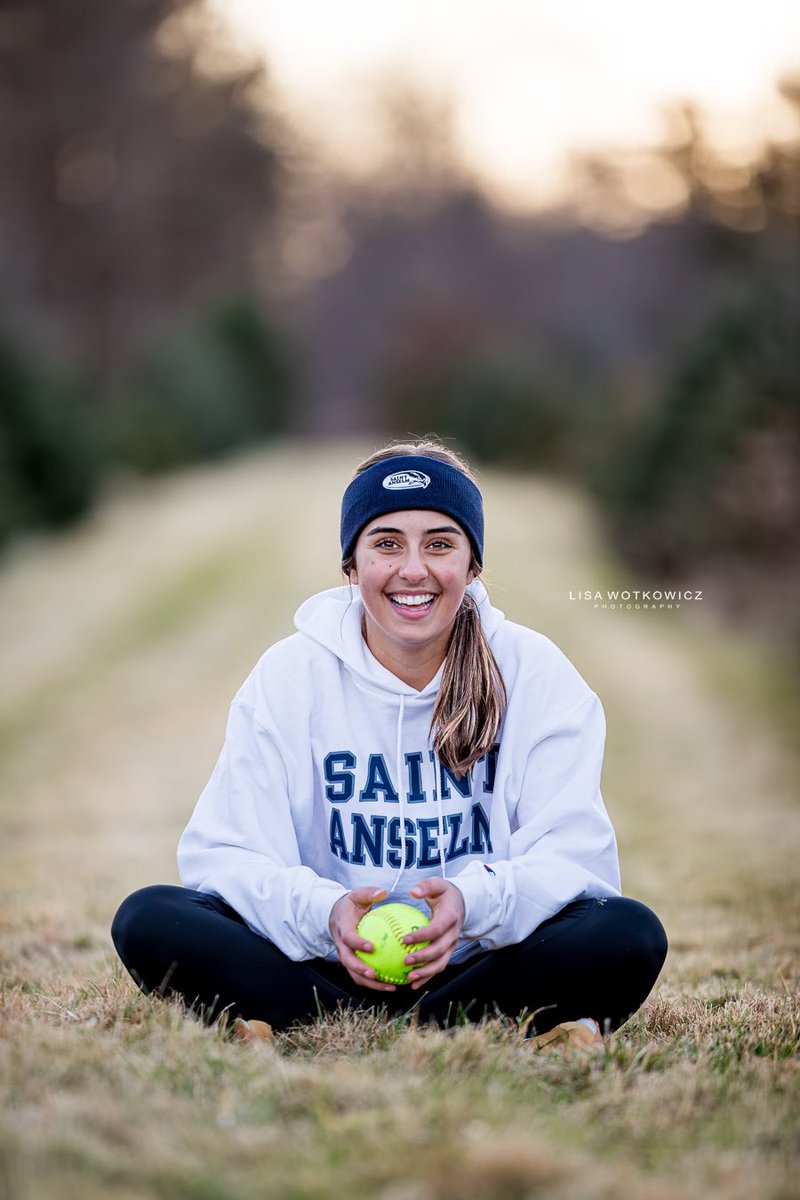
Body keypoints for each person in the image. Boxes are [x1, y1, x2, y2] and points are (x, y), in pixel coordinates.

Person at [111, 439, 668, 1049]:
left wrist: (469, 904)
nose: (413, 570)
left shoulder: (535, 672)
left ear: (472, 563)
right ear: (351, 565)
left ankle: (323, 1022)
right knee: (149, 919)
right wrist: (326, 915)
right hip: (322, 961)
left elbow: (573, 858)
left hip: (481, 962)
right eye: (386, 543)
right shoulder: (290, 675)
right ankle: (458, 1027)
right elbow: (224, 854)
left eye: (439, 543)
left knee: (629, 934)